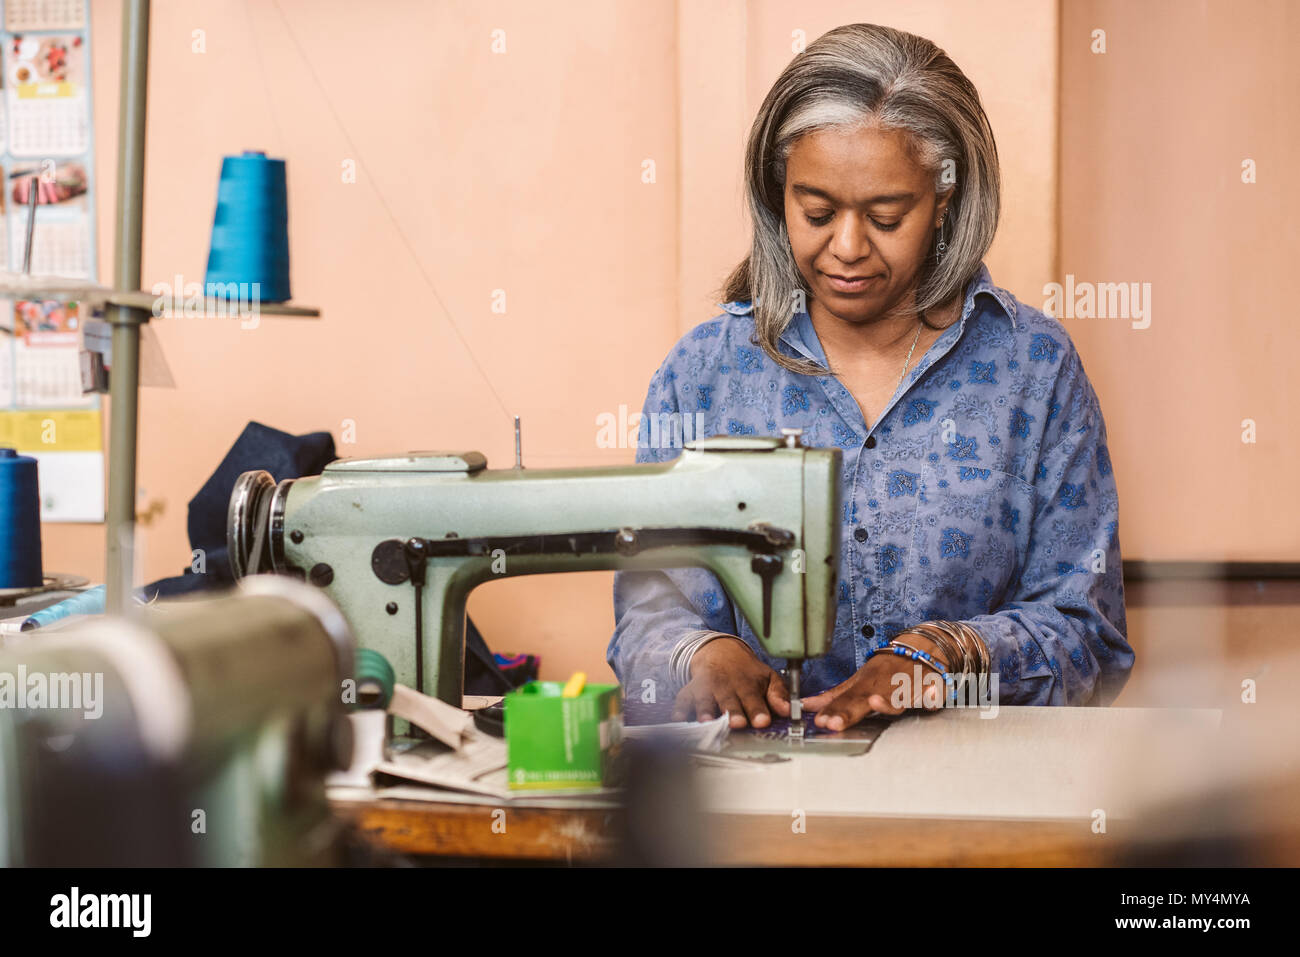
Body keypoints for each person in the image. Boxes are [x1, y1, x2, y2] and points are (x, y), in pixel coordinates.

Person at [608, 23, 1133, 731]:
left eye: (887, 216)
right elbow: (649, 618)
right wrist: (700, 652)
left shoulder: (1032, 369)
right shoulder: (703, 375)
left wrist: (948, 658)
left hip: (974, 804)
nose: (847, 248)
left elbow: (1090, 639)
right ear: (778, 194)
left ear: (945, 199)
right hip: (758, 801)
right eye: (816, 212)